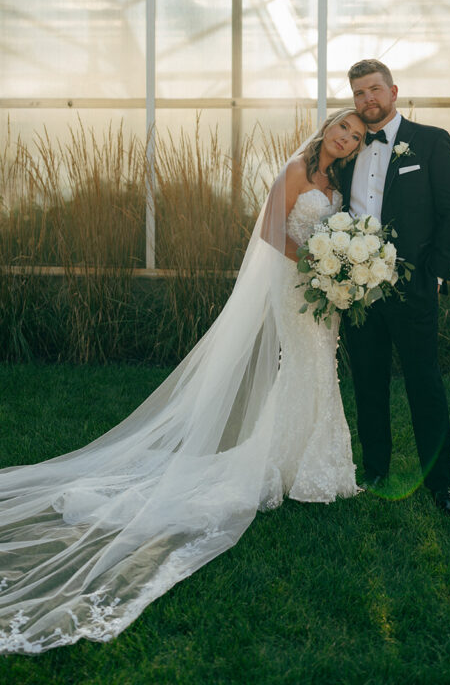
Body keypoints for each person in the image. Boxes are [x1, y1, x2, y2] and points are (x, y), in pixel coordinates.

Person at [0, 108, 365, 653]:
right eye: (343, 128)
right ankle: (298, 465)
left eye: (357, 137)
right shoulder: (294, 168)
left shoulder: (335, 181)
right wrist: (315, 265)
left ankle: (311, 465)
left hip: (323, 291)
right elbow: (270, 230)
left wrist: (339, 270)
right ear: (327, 126)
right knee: (307, 364)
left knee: (321, 368)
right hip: (294, 286)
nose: (348, 139)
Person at [340, 59, 450, 516]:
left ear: (394, 92)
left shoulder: (431, 142)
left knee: (424, 385)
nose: (367, 100)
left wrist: (435, 276)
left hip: (413, 289)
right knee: (368, 383)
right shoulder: (347, 146)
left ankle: (441, 485)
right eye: (358, 93)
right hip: (358, 293)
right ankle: (375, 470)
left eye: (374, 90)